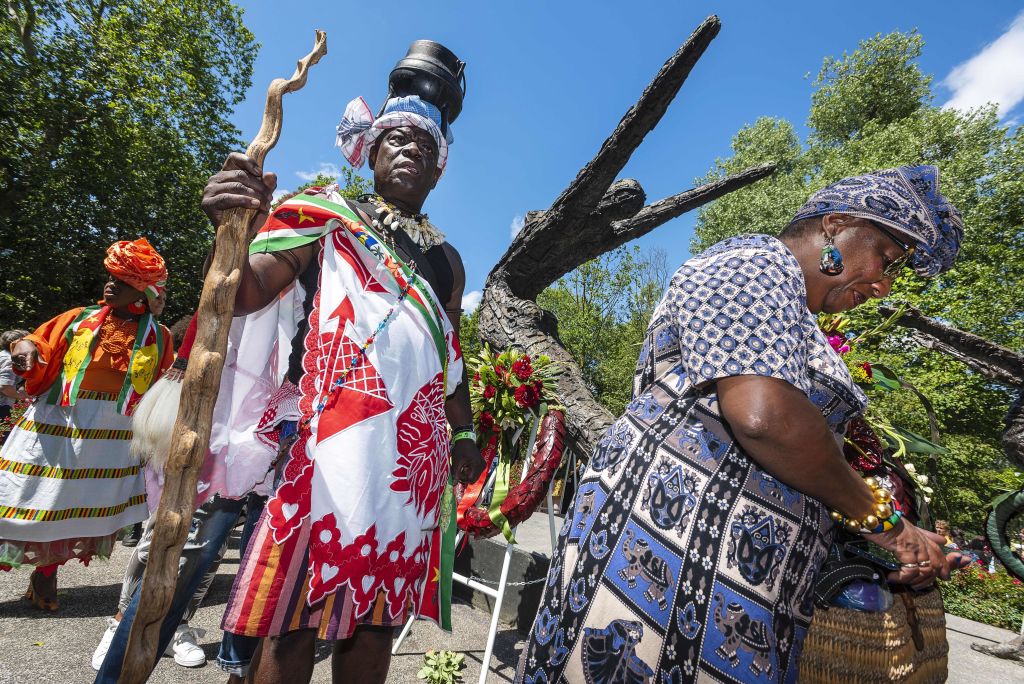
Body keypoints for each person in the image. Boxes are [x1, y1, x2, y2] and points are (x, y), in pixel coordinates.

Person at [516, 166, 969, 684]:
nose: (884, 285)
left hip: (732, 588)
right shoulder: (753, 261)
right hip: (664, 564)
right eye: (885, 260)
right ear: (836, 225)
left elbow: (803, 458)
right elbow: (764, 415)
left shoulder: (794, 314)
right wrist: (887, 526)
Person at [0, 238, 173, 611]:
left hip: (110, 437)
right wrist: (25, 352)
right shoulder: (78, 319)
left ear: (142, 294)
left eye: (122, 282)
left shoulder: (159, 337)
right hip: (56, 426)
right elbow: (37, 343)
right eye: (110, 277)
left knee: (72, 508)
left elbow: (163, 386)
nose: (110, 285)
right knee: (22, 497)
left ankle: (45, 574)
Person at [0, 329, 30, 445]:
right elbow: (4, 386)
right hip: (2, 406)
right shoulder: (9, 360)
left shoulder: (2, 356)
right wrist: (22, 396)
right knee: (7, 443)